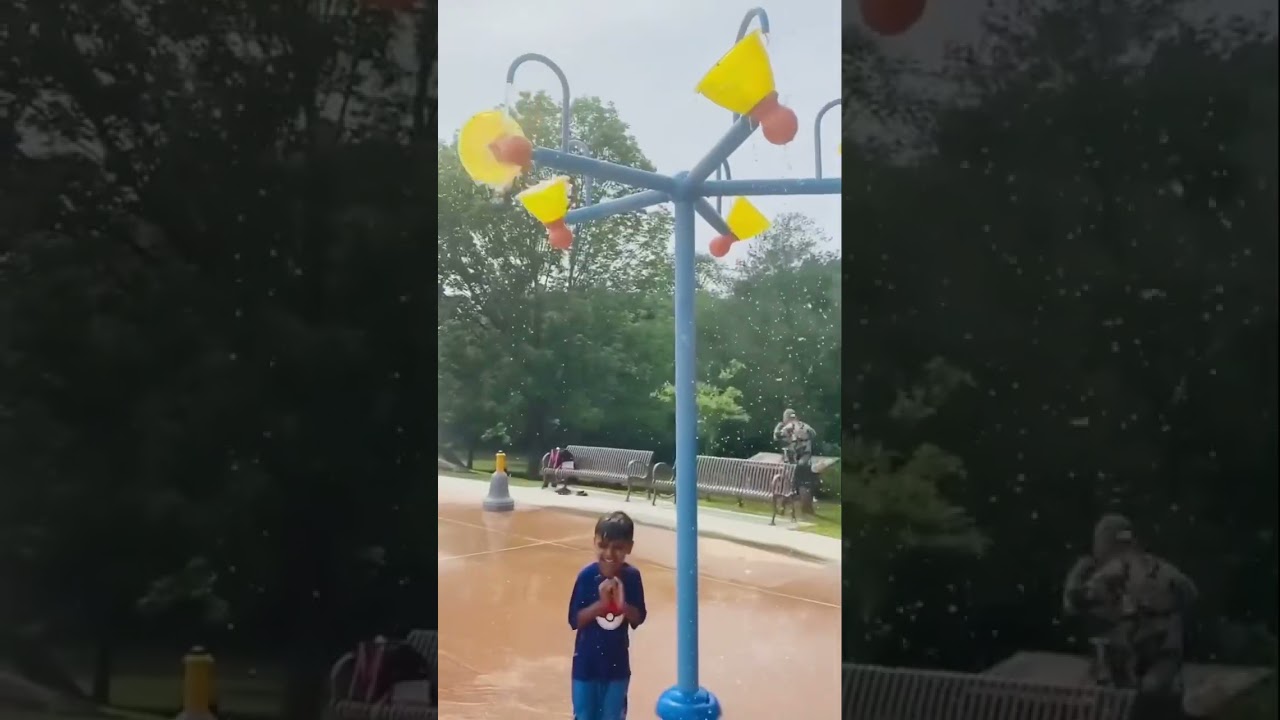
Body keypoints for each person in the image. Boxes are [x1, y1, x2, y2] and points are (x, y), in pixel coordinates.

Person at [1063, 514, 1198, 717]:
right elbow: (1189, 594)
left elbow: (1074, 603)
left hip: (1135, 657)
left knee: (1125, 697)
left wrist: (1077, 573)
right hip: (1162, 654)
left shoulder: (1110, 573)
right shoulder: (1162, 567)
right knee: (1156, 697)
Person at [566, 511, 647, 720]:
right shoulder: (586, 577)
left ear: (629, 547)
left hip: (617, 668)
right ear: (595, 543)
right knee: (584, 715)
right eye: (603, 545)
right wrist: (601, 606)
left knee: (613, 716)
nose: (609, 553)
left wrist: (622, 606)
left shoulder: (632, 578)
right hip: (585, 667)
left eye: (618, 547)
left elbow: (639, 618)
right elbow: (574, 620)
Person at [773, 408, 819, 514]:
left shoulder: (787, 427)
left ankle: (783, 507)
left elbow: (776, 437)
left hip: (794, 460)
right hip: (804, 459)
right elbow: (813, 434)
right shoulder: (804, 425)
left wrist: (779, 427)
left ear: (786, 418)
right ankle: (806, 510)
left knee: (791, 482)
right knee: (803, 483)